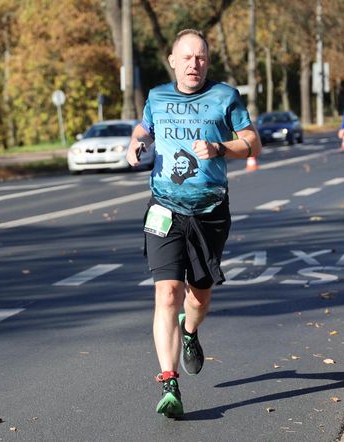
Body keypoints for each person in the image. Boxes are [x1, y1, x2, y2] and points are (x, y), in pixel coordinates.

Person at [126, 28, 261, 417]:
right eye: (187, 57)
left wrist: (221, 147)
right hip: (164, 208)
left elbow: (253, 142)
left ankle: (190, 331)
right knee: (166, 292)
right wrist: (136, 143)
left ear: (207, 61)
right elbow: (143, 127)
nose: (194, 64)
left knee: (198, 295)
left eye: (200, 57)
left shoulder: (225, 97)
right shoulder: (156, 96)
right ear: (173, 61)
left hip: (210, 211)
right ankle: (169, 382)